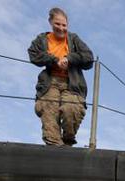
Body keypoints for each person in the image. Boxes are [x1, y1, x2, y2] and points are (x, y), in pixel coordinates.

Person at [28, 7, 94, 146]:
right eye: (57, 24)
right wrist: (54, 60)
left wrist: (69, 58)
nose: (61, 28)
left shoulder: (73, 39)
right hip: (50, 83)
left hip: (72, 84)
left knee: (72, 110)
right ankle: (55, 146)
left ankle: (68, 139)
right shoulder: (42, 39)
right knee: (49, 112)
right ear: (51, 22)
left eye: (64, 25)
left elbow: (88, 58)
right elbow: (33, 54)